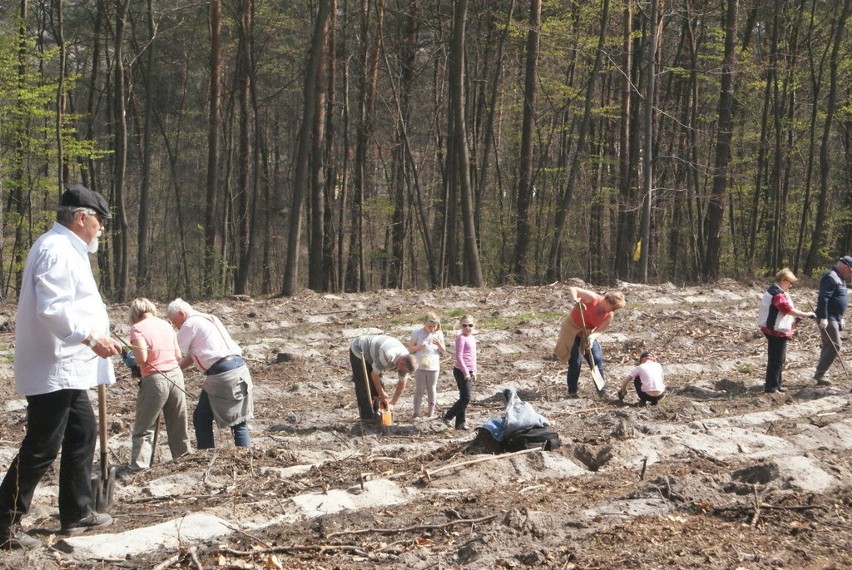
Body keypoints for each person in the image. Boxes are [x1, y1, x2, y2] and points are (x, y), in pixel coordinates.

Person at [0, 185, 122, 549]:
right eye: (99, 220)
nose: (102, 227)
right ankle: (4, 523)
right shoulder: (56, 250)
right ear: (81, 217)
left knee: (83, 432)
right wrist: (90, 337)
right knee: (41, 446)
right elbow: (52, 309)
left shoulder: (69, 249)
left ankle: (76, 512)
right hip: (53, 365)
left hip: (68, 366)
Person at [166, 298, 254, 449]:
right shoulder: (210, 318)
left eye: (174, 322)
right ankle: (217, 453)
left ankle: (235, 454)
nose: (176, 326)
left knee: (233, 421)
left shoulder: (189, 324)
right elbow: (192, 356)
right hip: (238, 368)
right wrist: (178, 367)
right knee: (204, 416)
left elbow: (174, 351)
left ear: (181, 313)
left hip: (222, 374)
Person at [127, 298, 191, 469]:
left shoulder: (137, 329)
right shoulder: (166, 325)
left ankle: (139, 466)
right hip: (176, 376)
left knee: (144, 427)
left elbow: (142, 359)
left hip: (155, 380)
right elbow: (178, 355)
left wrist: (131, 358)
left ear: (134, 314)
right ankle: (183, 460)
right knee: (178, 423)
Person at [554, 287, 626, 398]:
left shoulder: (609, 315)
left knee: (596, 360)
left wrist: (591, 338)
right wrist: (575, 301)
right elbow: (573, 289)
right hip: (572, 330)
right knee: (576, 361)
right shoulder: (592, 298)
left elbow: (600, 330)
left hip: (586, 334)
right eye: (612, 308)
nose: (612, 311)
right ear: (607, 301)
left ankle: (602, 390)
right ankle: (572, 391)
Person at [757, 269, 816, 393]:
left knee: (780, 359)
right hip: (775, 331)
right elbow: (787, 309)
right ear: (783, 280)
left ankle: (776, 384)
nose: (790, 285)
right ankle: (771, 387)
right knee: (776, 360)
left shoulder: (776, 290)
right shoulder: (777, 294)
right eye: (789, 282)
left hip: (776, 329)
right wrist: (806, 314)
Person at [349, 335, 416, 421]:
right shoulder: (388, 355)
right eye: (402, 369)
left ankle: (378, 413)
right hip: (360, 349)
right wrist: (382, 393)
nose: (402, 372)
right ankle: (367, 418)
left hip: (376, 355)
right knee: (364, 384)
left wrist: (393, 403)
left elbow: (402, 383)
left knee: (378, 388)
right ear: (402, 363)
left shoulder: (406, 362)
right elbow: (374, 375)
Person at [813, 256, 852, 386]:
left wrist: (841, 317)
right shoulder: (831, 276)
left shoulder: (840, 278)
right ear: (845, 266)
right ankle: (820, 374)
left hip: (835, 317)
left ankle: (820, 375)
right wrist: (823, 317)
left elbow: (839, 298)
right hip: (828, 317)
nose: (850, 273)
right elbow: (823, 298)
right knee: (835, 345)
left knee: (827, 345)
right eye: (850, 270)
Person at [408, 312, 446, 420]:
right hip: (420, 365)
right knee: (419, 389)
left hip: (433, 366)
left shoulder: (438, 334)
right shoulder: (417, 333)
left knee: (432, 388)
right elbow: (411, 348)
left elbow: (443, 350)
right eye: (429, 326)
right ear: (424, 323)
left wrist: (438, 344)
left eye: (434, 326)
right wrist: (419, 347)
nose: (432, 329)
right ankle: (416, 413)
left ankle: (431, 413)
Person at [444, 314, 477, 430]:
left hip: (470, 371)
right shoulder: (461, 338)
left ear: (474, 326)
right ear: (461, 326)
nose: (467, 328)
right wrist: (465, 372)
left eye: (470, 325)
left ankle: (460, 423)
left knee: (463, 397)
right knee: (466, 398)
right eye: (464, 325)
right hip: (461, 371)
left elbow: (473, 357)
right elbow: (459, 356)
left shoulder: (472, 338)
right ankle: (448, 416)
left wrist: (474, 371)